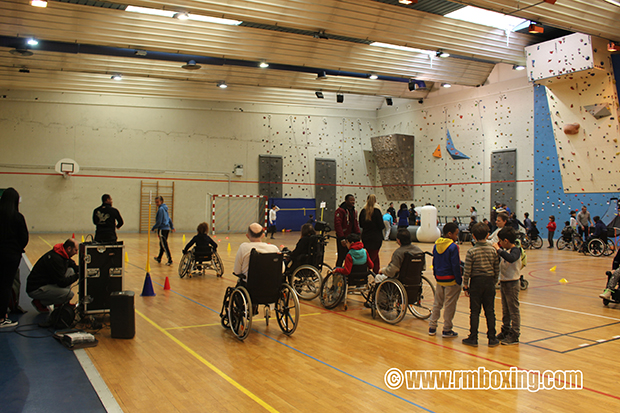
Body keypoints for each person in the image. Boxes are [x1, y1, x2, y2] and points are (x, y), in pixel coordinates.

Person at [462, 222, 500, 347]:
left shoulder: (471, 251)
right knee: (490, 311)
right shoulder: (493, 250)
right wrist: (494, 282)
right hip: (489, 281)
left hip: (476, 282)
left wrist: (465, 285)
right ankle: (492, 338)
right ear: (488, 235)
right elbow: (496, 268)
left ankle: (473, 337)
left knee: (474, 311)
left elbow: (467, 270)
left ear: (473, 236)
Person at [0, 188, 29, 328]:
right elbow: (24, 239)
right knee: (6, 285)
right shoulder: (17, 217)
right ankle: (1, 318)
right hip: (11, 256)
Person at [26, 239, 79, 314]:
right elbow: (62, 282)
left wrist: (83, 269)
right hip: (36, 288)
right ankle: (40, 302)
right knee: (68, 294)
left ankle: (63, 303)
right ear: (69, 248)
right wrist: (77, 276)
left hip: (46, 282)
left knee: (70, 271)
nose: (76, 253)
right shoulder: (56, 259)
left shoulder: (61, 253)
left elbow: (72, 265)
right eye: (75, 250)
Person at [428, 223, 462, 338]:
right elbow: (455, 265)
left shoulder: (436, 245)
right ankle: (447, 329)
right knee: (449, 305)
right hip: (451, 280)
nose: (457, 237)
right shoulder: (453, 247)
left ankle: (432, 326)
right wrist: (459, 280)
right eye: (456, 234)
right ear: (450, 234)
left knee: (437, 304)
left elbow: (434, 262)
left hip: (440, 278)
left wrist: (436, 275)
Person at [492, 227, 522, 345]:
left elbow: (511, 259)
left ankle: (515, 334)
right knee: (505, 309)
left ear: (505, 241)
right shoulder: (506, 251)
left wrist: (499, 250)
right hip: (504, 282)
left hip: (512, 283)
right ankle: (505, 330)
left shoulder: (515, 250)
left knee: (513, 309)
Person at [358, 194, 384, 273]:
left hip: (366, 237)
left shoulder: (363, 211)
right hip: (376, 238)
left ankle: (377, 273)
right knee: (372, 258)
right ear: (375, 201)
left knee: (374, 257)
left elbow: (361, 225)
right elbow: (381, 226)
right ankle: (363, 272)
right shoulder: (377, 212)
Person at [334, 194, 360, 267]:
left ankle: (350, 273)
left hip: (352, 237)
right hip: (343, 237)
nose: (353, 202)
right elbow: (338, 225)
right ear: (346, 201)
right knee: (341, 257)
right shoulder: (340, 211)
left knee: (352, 256)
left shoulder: (354, 211)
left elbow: (355, 223)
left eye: (354, 200)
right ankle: (337, 273)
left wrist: (358, 234)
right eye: (351, 200)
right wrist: (342, 238)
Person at [152, 196, 175, 265]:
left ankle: (170, 260)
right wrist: (171, 226)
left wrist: (154, 228)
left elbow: (159, 221)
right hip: (166, 229)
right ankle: (159, 257)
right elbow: (169, 219)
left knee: (164, 245)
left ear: (161, 201)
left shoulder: (161, 210)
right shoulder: (165, 209)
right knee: (161, 244)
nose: (156, 203)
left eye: (157, 202)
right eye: (155, 202)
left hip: (162, 229)